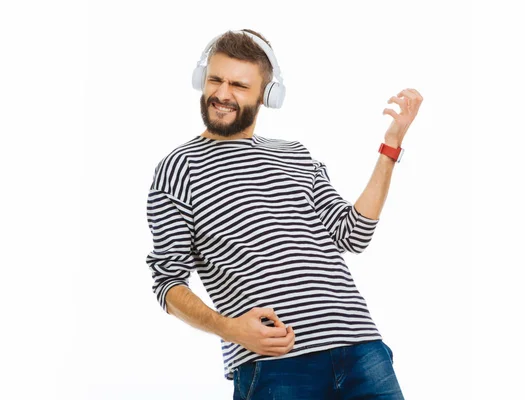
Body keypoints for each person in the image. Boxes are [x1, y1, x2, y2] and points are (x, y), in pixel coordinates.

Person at [145, 29, 423, 399]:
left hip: (362, 349)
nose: (222, 94)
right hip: (276, 363)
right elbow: (167, 281)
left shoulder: (295, 153)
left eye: (239, 85)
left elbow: (352, 233)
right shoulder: (178, 168)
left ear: (267, 95)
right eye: (215, 80)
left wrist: (391, 146)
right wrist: (231, 329)